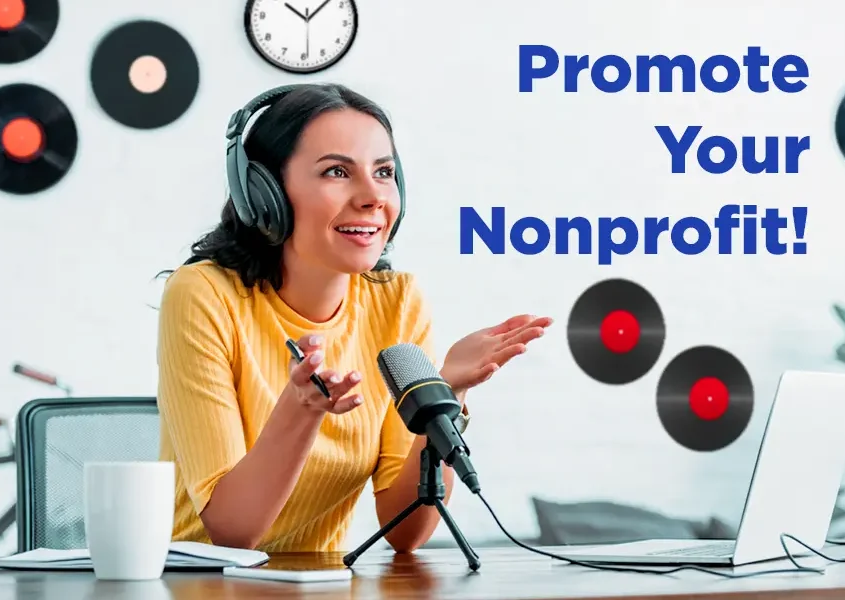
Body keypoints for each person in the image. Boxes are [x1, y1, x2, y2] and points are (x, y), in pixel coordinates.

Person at [155, 83, 552, 553]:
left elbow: (405, 532)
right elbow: (232, 534)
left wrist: (447, 391)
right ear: (264, 193)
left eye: (383, 172)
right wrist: (301, 410)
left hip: (320, 585)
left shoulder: (396, 300)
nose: (372, 197)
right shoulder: (204, 295)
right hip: (198, 584)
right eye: (338, 171)